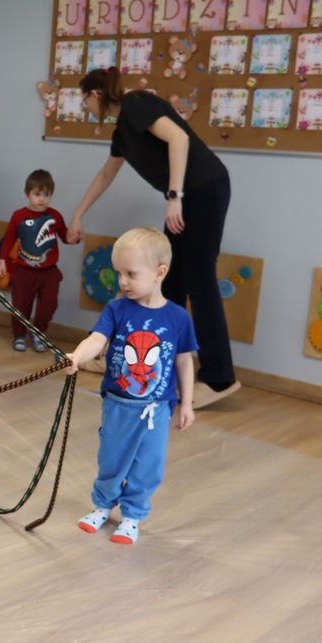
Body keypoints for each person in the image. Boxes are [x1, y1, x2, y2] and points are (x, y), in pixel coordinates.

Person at [68, 67, 240, 409]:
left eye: (84, 99)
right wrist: (78, 215)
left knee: (199, 279)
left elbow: (179, 138)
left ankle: (220, 376)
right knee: (168, 280)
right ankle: (151, 359)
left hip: (202, 190)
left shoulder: (136, 103)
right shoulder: (123, 131)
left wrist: (174, 196)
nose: (85, 107)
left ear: (96, 95)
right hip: (187, 195)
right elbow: (105, 175)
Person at [65, 227, 196, 545]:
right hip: (118, 404)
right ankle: (102, 506)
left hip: (156, 409)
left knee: (148, 464)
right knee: (111, 458)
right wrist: (77, 357)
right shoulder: (116, 309)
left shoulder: (178, 318)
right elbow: (97, 339)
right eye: (118, 273)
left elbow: (183, 362)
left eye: (130, 273)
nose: (122, 281)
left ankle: (133, 515)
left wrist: (187, 404)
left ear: (159, 272)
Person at [0, 169, 69, 352]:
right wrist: (2, 260)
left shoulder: (55, 216)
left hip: (49, 271)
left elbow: (65, 237)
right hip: (23, 271)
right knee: (20, 304)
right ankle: (19, 334)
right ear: (28, 193)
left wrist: (75, 236)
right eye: (37, 194)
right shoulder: (18, 216)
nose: (42, 199)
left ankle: (39, 332)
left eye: (46, 195)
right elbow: (9, 239)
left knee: (49, 304)